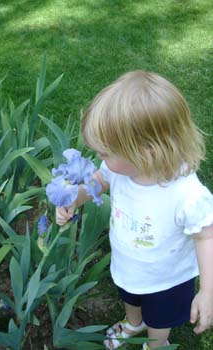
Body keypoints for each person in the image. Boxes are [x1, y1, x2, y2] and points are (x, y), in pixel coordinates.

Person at [56, 71, 213, 349]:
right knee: (130, 297)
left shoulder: (187, 194)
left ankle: (156, 344)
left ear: (146, 152)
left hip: (168, 279)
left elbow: (207, 237)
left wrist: (208, 291)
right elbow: (99, 182)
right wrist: (74, 199)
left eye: (105, 153)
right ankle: (133, 323)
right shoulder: (120, 171)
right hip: (128, 264)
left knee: (159, 319)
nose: (99, 159)